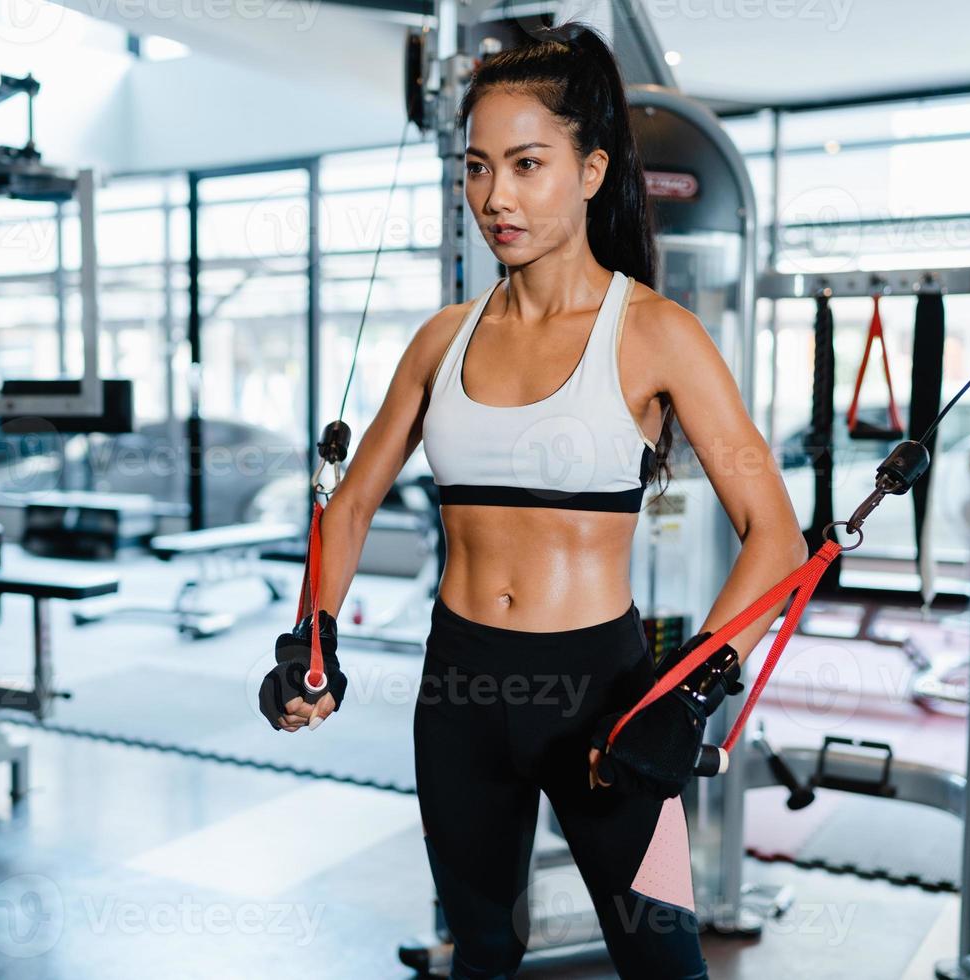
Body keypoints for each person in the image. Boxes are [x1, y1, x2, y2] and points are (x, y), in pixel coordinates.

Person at [261, 22, 806, 980]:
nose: (495, 197)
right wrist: (312, 640)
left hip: (608, 691)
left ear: (591, 171)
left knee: (666, 955)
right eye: (477, 168)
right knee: (480, 952)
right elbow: (345, 509)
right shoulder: (442, 340)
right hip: (458, 687)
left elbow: (776, 535)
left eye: (526, 164)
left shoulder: (656, 334)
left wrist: (686, 693)